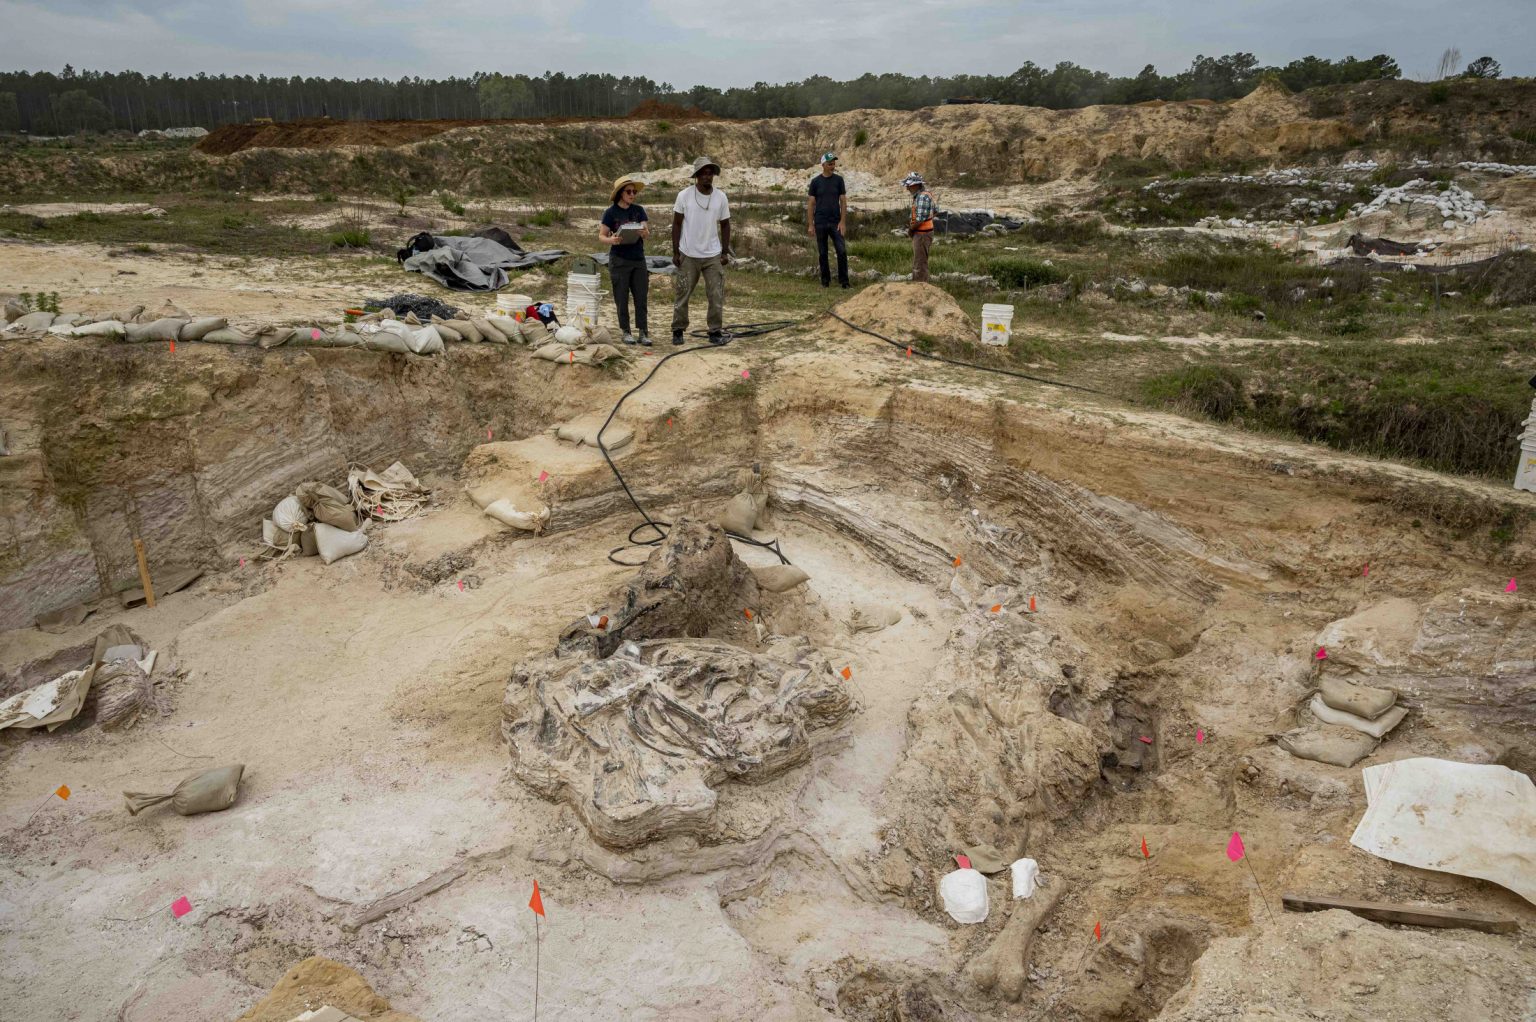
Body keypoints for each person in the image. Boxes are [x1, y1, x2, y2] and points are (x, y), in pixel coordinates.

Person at [671, 156, 731, 345]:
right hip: (688, 253)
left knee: (716, 293)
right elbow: (676, 224)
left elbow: (726, 224)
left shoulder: (720, 197)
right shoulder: (684, 196)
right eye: (703, 173)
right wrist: (675, 252)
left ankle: (714, 331)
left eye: (710, 173)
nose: (707, 177)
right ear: (696, 176)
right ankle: (678, 329)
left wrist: (724, 252)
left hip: (712, 254)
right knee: (683, 292)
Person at [599, 175, 651, 345]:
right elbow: (601, 236)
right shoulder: (610, 213)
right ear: (620, 193)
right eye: (629, 191)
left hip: (638, 259)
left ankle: (643, 332)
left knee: (641, 297)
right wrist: (612, 240)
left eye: (634, 191)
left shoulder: (639, 210)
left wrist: (644, 233)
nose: (632, 194)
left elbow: (646, 231)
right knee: (621, 297)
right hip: (619, 260)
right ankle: (626, 331)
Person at [807, 151, 848, 289]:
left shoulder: (839, 180)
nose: (832, 165)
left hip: (836, 222)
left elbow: (843, 202)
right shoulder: (815, 182)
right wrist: (810, 225)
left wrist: (842, 222)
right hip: (820, 222)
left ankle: (844, 282)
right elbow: (811, 204)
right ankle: (825, 281)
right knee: (823, 252)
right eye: (830, 163)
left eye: (834, 163)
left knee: (841, 251)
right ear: (823, 165)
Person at [902, 171, 935, 283]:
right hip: (924, 232)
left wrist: (911, 229)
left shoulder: (921, 197)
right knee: (921, 261)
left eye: (909, 185)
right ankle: (921, 285)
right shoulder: (926, 195)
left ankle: (919, 287)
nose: (907, 188)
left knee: (919, 264)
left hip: (922, 234)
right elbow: (936, 211)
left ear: (916, 185)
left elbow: (920, 219)